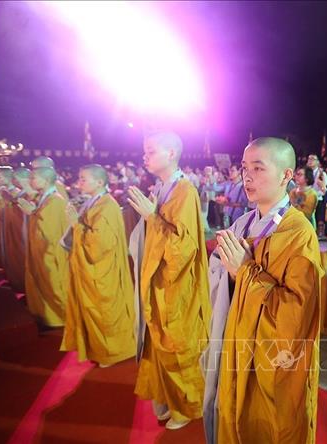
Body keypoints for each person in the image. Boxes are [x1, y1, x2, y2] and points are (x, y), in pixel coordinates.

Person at [202, 137, 323, 444]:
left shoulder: (298, 233)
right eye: (244, 168)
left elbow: (296, 314)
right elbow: (217, 277)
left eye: (258, 167)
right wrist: (226, 270)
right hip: (234, 341)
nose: (247, 176)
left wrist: (244, 272)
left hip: (269, 358)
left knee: (267, 425)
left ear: (286, 175)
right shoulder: (243, 224)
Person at [126, 131, 211, 430]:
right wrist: (151, 215)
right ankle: (168, 399)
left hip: (177, 286)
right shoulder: (164, 188)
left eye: (151, 151)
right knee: (158, 342)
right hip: (158, 282)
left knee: (177, 345)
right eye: (145, 151)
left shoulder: (184, 191)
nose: (145, 156)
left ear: (172, 153)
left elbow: (183, 247)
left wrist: (152, 216)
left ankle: (187, 407)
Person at [60, 164, 135, 367]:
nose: (79, 182)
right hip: (91, 268)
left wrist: (76, 224)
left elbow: (101, 244)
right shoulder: (94, 202)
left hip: (103, 269)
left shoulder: (107, 206)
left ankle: (113, 352)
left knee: (105, 310)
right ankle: (98, 348)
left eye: (84, 179)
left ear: (100, 182)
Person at [18, 167, 69, 327]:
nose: (31, 181)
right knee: (44, 284)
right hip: (41, 252)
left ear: (46, 180)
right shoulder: (44, 198)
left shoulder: (55, 200)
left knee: (53, 286)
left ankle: (61, 319)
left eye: (34, 178)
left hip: (51, 254)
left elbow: (50, 232)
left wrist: (33, 213)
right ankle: (48, 316)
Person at [2, 168, 34, 293]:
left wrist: (9, 202)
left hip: (22, 232)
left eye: (16, 178)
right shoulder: (21, 193)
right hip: (15, 231)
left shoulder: (30, 194)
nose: (13, 180)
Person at [307, 154, 327, 227]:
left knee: (317, 221)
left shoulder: (322, 174)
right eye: (309, 159)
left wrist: (313, 194)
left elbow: (323, 189)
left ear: (318, 162)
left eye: (313, 159)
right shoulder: (305, 173)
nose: (310, 161)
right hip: (306, 200)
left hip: (318, 200)